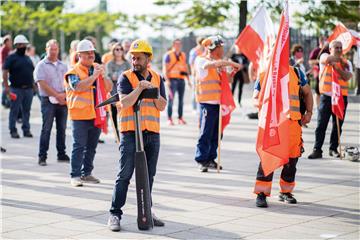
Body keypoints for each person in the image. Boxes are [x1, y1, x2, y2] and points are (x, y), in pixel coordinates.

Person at [108, 39, 167, 231]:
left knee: (149, 176)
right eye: (132, 58)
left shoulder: (157, 77)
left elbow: (162, 105)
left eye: (138, 58)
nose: (135, 61)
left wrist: (152, 91)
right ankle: (115, 214)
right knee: (124, 174)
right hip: (131, 133)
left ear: (148, 58)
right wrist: (140, 88)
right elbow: (124, 103)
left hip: (152, 133)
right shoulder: (126, 77)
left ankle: (146, 212)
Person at [253, 66, 313, 208]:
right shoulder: (264, 74)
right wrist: (262, 107)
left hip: (293, 123)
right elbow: (255, 98)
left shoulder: (297, 72)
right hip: (273, 124)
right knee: (268, 157)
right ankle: (261, 193)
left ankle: (285, 192)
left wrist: (309, 112)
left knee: (292, 159)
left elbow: (308, 92)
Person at [64, 39, 112, 187]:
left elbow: (109, 87)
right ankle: (75, 175)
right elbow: (78, 86)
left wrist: (102, 75)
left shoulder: (97, 68)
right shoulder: (73, 72)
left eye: (92, 53)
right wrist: (94, 77)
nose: (91, 56)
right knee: (79, 145)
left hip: (96, 114)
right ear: (79, 55)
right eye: (87, 53)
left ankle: (87, 173)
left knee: (91, 146)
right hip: (79, 115)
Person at [194, 35, 241, 172]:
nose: (223, 49)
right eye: (221, 46)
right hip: (207, 103)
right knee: (205, 133)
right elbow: (210, 65)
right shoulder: (201, 60)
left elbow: (227, 81)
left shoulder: (219, 63)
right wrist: (230, 63)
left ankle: (210, 158)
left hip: (219, 103)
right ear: (213, 48)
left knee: (217, 133)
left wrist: (231, 74)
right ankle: (201, 160)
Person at [308, 41, 353, 159]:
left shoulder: (346, 62)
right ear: (330, 49)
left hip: (341, 98)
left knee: (337, 125)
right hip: (327, 97)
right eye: (336, 47)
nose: (338, 49)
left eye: (340, 47)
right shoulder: (324, 56)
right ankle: (317, 149)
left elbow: (348, 76)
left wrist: (337, 68)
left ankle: (333, 149)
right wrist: (333, 61)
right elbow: (326, 59)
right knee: (321, 124)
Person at [34, 39, 69, 166]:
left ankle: (61, 154)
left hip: (62, 100)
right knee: (46, 128)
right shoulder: (41, 65)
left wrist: (64, 96)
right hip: (48, 100)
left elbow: (68, 82)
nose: (53, 51)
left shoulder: (63, 65)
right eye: (51, 49)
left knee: (62, 128)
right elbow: (41, 83)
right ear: (46, 49)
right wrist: (57, 95)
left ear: (58, 50)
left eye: (55, 49)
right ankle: (42, 156)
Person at [2, 34, 34, 139]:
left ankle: (26, 129)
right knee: (14, 111)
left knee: (26, 111)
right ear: (16, 45)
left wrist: (34, 86)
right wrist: (7, 88)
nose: (23, 46)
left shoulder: (28, 58)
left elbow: (31, 72)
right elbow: (5, 72)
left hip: (28, 89)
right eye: (21, 44)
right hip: (16, 89)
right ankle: (13, 130)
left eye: (24, 44)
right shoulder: (11, 58)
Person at [105, 42, 131, 139]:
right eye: (117, 49)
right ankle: (117, 136)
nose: (119, 51)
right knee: (115, 114)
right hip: (114, 92)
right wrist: (119, 76)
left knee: (125, 112)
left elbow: (129, 76)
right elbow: (110, 76)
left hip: (125, 92)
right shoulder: (109, 64)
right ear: (113, 51)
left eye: (121, 49)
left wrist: (118, 76)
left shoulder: (127, 63)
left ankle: (125, 133)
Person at [163, 39, 190, 125]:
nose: (178, 46)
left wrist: (188, 80)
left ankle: (180, 118)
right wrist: (167, 80)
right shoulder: (168, 55)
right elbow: (165, 68)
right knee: (171, 100)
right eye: (176, 44)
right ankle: (169, 119)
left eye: (179, 44)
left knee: (181, 100)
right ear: (173, 45)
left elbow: (185, 68)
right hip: (172, 80)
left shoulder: (183, 55)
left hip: (181, 80)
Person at [308, 37, 328, 108]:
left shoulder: (328, 51)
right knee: (317, 91)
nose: (325, 43)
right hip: (318, 73)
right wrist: (320, 61)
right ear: (320, 41)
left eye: (326, 41)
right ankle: (317, 107)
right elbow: (310, 61)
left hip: (327, 75)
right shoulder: (316, 51)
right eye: (323, 41)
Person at [188, 36, 205, 111]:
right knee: (195, 91)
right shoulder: (194, 51)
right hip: (195, 74)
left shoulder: (205, 51)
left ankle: (199, 107)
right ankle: (194, 108)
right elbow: (191, 63)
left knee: (201, 91)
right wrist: (193, 73)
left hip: (202, 74)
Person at [1, 35, 12, 108]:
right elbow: (6, 60)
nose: (11, 42)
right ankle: (4, 101)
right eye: (10, 41)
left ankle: (6, 101)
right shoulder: (5, 49)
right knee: (6, 85)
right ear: (6, 42)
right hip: (6, 69)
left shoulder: (5, 49)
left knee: (5, 85)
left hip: (5, 68)